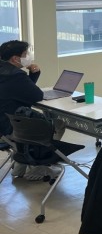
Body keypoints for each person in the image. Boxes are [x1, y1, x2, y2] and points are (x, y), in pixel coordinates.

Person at [0, 40, 66, 180]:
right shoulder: (16, 75)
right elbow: (36, 95)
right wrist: (34, 74)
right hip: (13, 127)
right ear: (15, 58)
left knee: (39, 120)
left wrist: (32, 76)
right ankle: (39, 165)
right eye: (25, 54)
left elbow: (24, 92)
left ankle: (20, 165)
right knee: (58, 123)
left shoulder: (4, 72)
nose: (28, 56)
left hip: (3, 125)